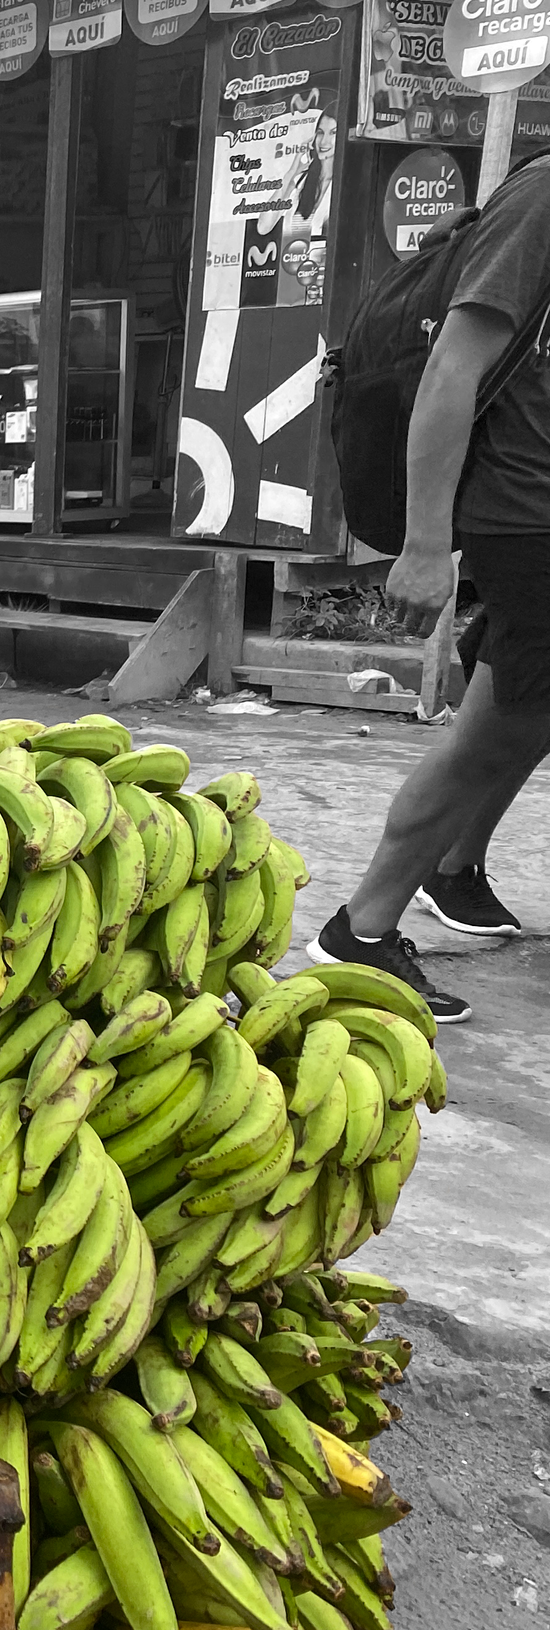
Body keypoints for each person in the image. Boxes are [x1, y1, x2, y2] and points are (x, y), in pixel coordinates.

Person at [312, 153, 550, 1025]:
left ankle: (450, 872)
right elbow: (453, 367)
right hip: (526, 513)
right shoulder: (544, 198)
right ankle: (363, 927)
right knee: (498, 730)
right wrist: (424, 542)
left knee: (519, 713)